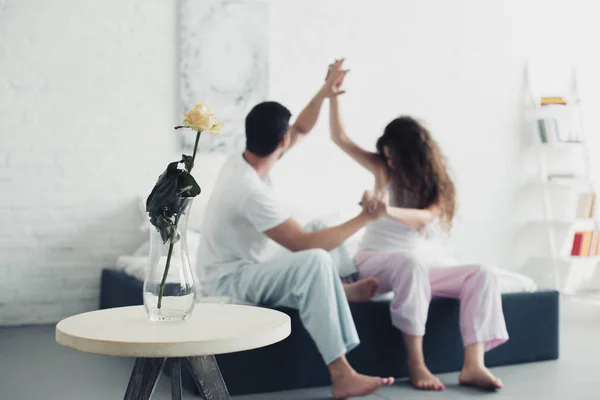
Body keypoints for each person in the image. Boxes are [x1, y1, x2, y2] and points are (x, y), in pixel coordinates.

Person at [197, 60, 394, 399]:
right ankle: (341, 373)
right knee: (315, 259)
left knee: (318, 226)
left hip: (247, 265)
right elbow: (303, 246)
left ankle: (341, 289)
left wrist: (326, 90)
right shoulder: (248, 190)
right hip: (228, 278)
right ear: (281, 141)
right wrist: (365, 218)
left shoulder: (244, 159)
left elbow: (301, 128)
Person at [327, 59, 508, 391]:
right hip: (375, 260)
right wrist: (333, 94)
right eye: (386, 155)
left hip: (416, 264)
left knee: (483, 273)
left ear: (413, 155)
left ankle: (473, 365)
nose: (389, 161)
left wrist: (387, 210)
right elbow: (340, 138)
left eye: (394, 156)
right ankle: (417, 363)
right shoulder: (383, 170)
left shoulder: (436, 185)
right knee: (410, 264)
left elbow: (425, 218)